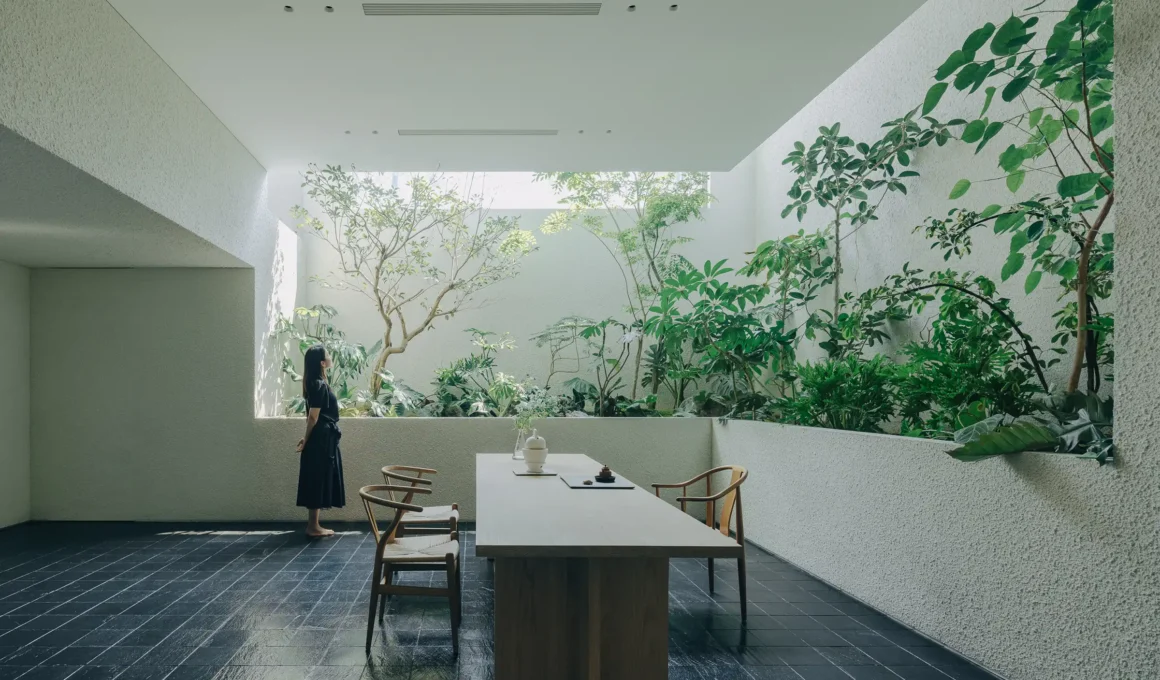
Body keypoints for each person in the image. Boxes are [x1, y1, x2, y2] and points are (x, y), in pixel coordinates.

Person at [295, 344, 346, 537]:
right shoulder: (318, 384)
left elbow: (313, 417)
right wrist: (306, 440)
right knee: (317, 478)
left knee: (317, 477)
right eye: (328, 355)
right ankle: (313, 526)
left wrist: (307, 437)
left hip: (322, 435)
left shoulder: (315, 382)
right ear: (322, 363)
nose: (331, 357)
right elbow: (313, 417)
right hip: (321, 437)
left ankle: (313, 525)